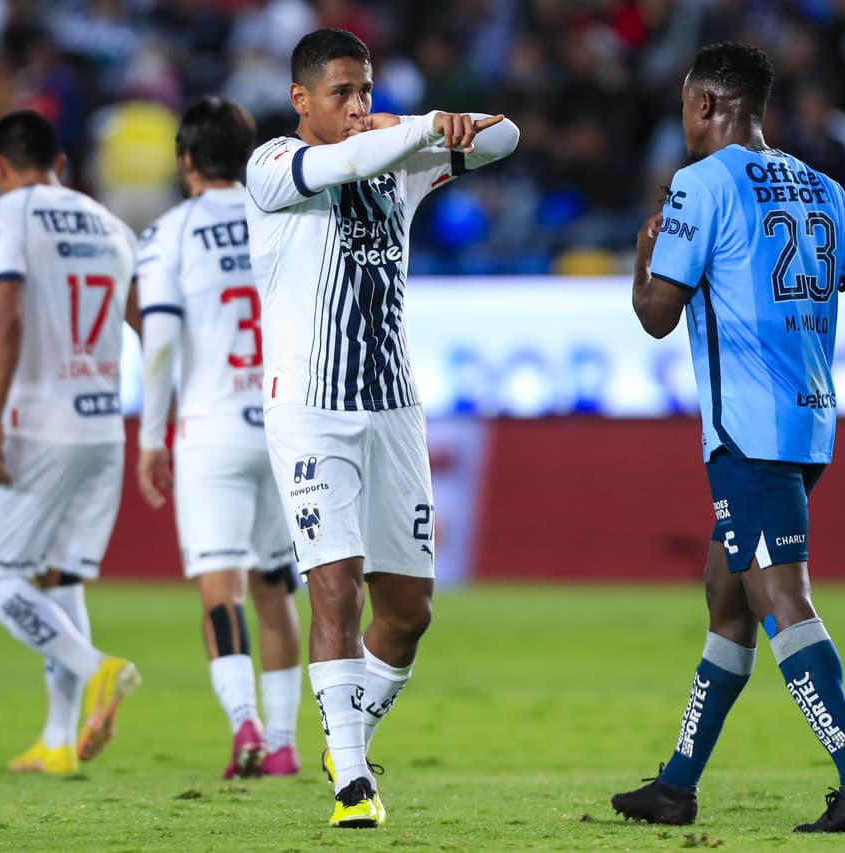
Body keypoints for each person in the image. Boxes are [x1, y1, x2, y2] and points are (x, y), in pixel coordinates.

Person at [612, 43, 845, 833]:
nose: (683, 118)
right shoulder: (821, 187)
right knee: (728, 591)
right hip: (811, 422)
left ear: (708, 104)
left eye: (687, 103)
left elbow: (656, 315)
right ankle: (677, 784)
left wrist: (645, 258)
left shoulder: (699, 185)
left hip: (747, 431)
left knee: (781, 598)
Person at [244, 28, 518, 828]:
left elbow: (506, 137)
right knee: (333, 588)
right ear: (301, 100)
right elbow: (344, 163)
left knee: (407, 613)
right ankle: (353, 785)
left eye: (366, 91)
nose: (358, 107)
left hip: (394, 406)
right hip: (310, 407)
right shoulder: (270, 169)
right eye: (342, 93)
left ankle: (346, 733)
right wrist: (417, 130)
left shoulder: (398, 158)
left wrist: (440, 123)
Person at [0, 110, 143, 775]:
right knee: (59, 574)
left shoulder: (1, 216)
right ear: (61, 165)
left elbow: (6, 312)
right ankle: (59, 741)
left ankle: (99, 667)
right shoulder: (109, 224)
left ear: (0, 169)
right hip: (103, 426)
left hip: (37, 423)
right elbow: (146, 325)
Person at [135, 96, 304, 780]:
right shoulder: (283, 215)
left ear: (185, 162)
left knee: (220, 588)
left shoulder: (170, 232)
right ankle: (287, 740)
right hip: (285, 421)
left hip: (211, 428)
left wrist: (151, 437)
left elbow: (161, 339)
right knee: (275, 586)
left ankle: (245, 727)